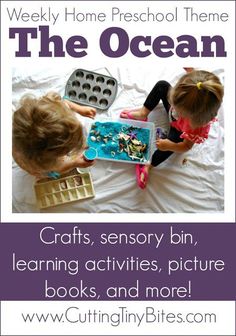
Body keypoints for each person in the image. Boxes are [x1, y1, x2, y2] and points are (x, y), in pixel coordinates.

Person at [120, 69, 224, 189]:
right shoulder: (193, 87)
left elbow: (186, 146)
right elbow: (195, 79)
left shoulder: (196, 128)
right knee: (162, 85)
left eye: (179, 112)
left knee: (172, 144)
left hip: (179, 130)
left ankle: (149, 165)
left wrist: (169, 145)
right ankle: (143, 113)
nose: (174, 109)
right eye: (174, 103)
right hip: (183, 103)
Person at [13, 92, 96, 178]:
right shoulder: (36, 163)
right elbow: (56, 170)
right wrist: (74, 163)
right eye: (68, 150)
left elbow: (64, 103)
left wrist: (78, 109)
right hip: (35, 163)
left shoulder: (53, 107)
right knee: (46, 174)